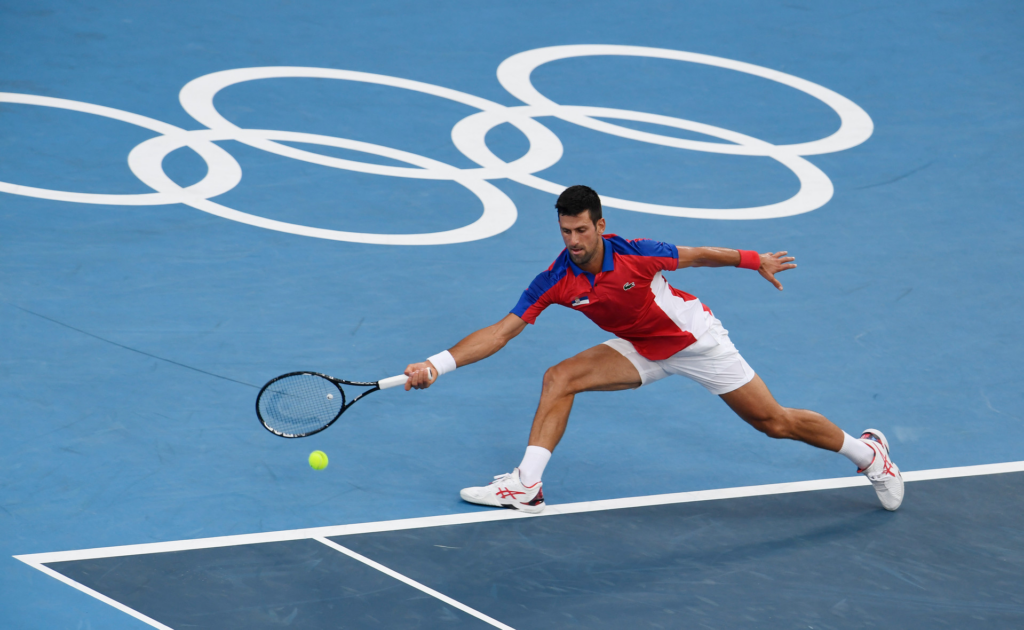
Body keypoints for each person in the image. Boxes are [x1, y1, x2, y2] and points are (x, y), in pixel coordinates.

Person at [402, 185, 903, 513]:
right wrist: (436, 365)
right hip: (640, 346)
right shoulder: (556, 278)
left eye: (581, 230)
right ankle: (526, 485)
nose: (573, 241)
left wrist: (755, 260)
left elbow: (699, 255)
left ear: (600, 226)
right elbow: (501, 331)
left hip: (695, 342)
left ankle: (869, 454)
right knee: (560, 377)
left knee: (773, 422)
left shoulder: (636, 254)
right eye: (565, 232)